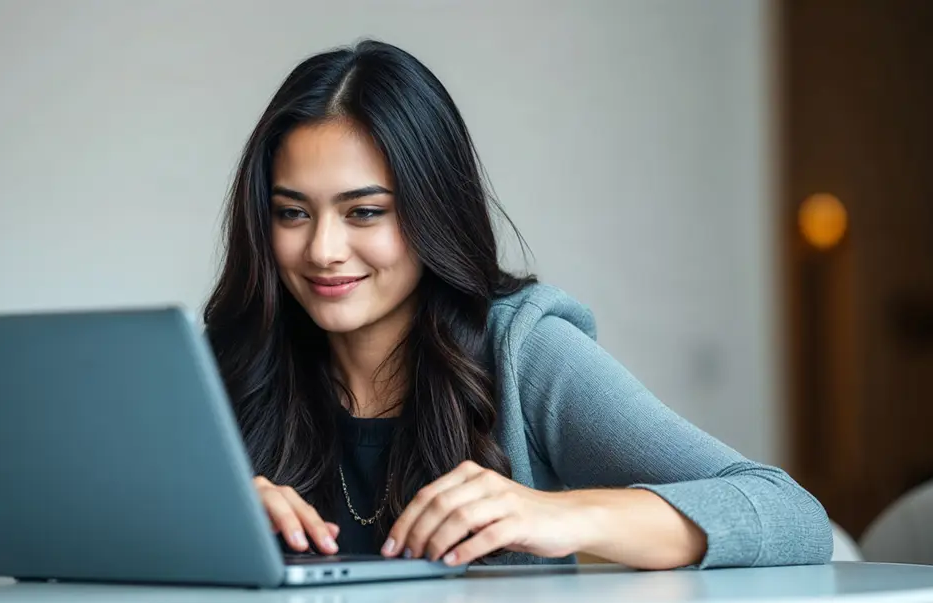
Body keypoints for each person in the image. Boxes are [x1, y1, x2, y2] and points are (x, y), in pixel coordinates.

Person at [201, 38, 833, 570]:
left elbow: (791, 514)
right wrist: (201, 519)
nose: (323, 250)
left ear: (434, 210)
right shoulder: (220, 367)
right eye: (292, 213)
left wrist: (561, 515)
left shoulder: (522, 350)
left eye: (364, 212)